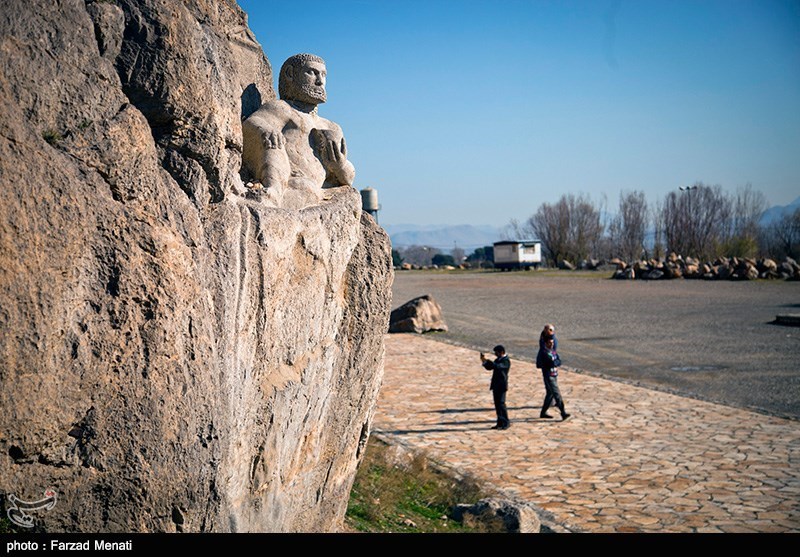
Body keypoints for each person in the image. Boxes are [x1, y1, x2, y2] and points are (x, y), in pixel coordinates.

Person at [242, 53, 355, 208]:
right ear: (290, 74)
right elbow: (253, 122)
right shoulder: (282, 108)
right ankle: (273, 192)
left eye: (323, 75)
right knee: (274, 140)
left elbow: (348, 178)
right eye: (312, 73)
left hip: (313, 188)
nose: (320, 81)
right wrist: (267, 129)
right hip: (291, 181)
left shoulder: (332, 127)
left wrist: (340, 166)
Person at [536, 324, 570, 421]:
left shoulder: (552, 351)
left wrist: (555, 363)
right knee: (556, 394)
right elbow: (552, 362)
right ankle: (563, 412)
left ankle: (543, 412)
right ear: (546, 343)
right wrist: (554, 363)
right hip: (549, 375)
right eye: (550, 343)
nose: (552, 344)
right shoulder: (544, 352)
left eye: (552, 343)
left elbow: (558, 361)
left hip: (554, 374)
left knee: (550, 394)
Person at [480, 345, 511, 430]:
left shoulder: (506, 361)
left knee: (501, 404)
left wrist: (488, 361)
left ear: (501, 352)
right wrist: (484, 361)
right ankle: (500, 422)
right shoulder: (498, 360)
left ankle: (506, 422)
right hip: (496, 385)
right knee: (497, 405)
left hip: (501, 385)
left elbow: (497, 366)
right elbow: (490, 367)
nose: (495, 354)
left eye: (496, 352)